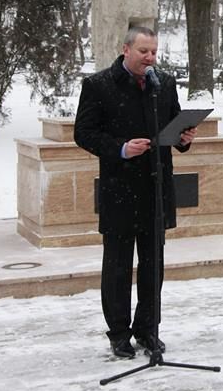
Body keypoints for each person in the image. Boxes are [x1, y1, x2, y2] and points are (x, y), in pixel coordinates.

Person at [74, 26, 198, 359]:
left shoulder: (164, 84)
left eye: (154, 52)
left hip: (156, 189)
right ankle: (119, 333)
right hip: (120, 188)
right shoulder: (99, 85)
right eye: (144, 51)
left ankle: (148, 329)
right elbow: (83, 133)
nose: (150, 58)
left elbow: (173, 125)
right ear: (126, 49)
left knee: (152, 266)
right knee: (117, 266)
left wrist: (184, 139)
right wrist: (121, 148)